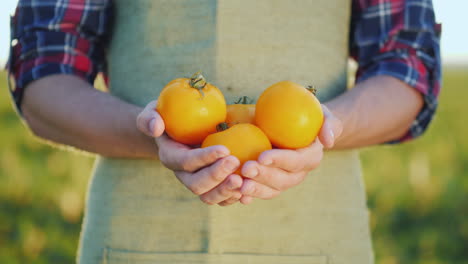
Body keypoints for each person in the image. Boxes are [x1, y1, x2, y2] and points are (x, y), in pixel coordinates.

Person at [8, 0, 441, 263]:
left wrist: (327, 126)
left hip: (320, 237)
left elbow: (407, 66)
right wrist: (149, 133)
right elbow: (45, 74)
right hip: (135, 239)